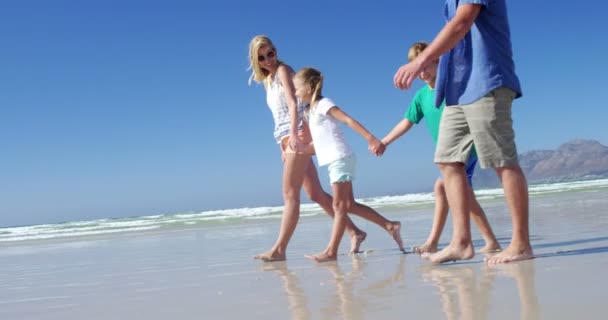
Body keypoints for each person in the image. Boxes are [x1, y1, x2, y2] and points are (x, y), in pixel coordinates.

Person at [393, 1, 533, 264]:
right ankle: (461, 242)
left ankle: (521, 244)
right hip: (457, 92)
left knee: (502, 161)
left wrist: (419, 62)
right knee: (447, 161)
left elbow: (463, 21)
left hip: (486, 82)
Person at [248, 35, 368, 262]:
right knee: (314, 193)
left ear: (276, 50)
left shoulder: (283, 71)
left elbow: (295, 105)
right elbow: (279, 116)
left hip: (298, 134)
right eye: (261, 57)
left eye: (270, 54)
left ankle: (279, 250)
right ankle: (355, 232)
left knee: (290, 194)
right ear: (256, 60)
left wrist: (294, 135)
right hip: (285, 138)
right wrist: (282, 145)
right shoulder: (267, 80)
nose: (268, 60)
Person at [380, 42, 500, 254]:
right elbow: (407, 122)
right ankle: (488, 241)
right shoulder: (421, 96)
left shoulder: (453, 87)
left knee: (445, 188)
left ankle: (440, 241)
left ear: (439, 62)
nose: (423, 72)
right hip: (449, 155)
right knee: (460, 194)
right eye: (419, 67)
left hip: (466, 148)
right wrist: (385, 141)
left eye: (428, 65)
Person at [293, 67, 404, 263]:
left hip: (341, 158)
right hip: (334, 160)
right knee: (348, 204)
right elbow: (318, 144)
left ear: (309, 88)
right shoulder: (310, 112)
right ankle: (389, 225)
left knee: (339, 205)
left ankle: (331, 251)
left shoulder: (323, 103)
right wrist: (301, 148)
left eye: (297, 88)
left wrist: (371, 139)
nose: (295, 93)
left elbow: (347, 120)